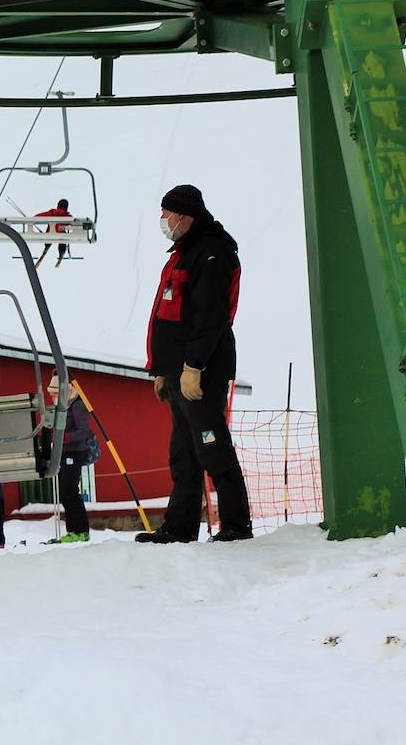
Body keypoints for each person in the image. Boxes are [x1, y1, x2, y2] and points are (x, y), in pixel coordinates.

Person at [137, 185, 253, 544]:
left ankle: (235, 525)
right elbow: (170, 315)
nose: (163, 221)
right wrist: (163, 371)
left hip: (201, 372)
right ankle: (179, 527)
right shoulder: (184, 252)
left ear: (184, 216)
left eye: (167, 215)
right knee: (183, 453)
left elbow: (210, 317)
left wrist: (193, 366)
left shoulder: (213, 252)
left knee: (211, 446)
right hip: (178, 373)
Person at [44, 375, 99, 544]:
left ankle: (81, 530)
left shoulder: (77, 405)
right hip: (65, 453)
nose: (52, 397)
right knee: (65, 492)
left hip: (75, 453)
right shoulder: (64, 407)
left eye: (55, 394)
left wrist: (64, 437)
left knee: (70, 491)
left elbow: (83, 431)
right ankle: (72, 530)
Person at [34, 199, 73, 269]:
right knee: (63, 237)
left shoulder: (52, 213)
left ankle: (45, 250)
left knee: (49, 234)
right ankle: (61, 253)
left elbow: (38, 216)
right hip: (61, 237)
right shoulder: (68, 216)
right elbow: (72, 224)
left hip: (49, 235)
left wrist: (34, 217)